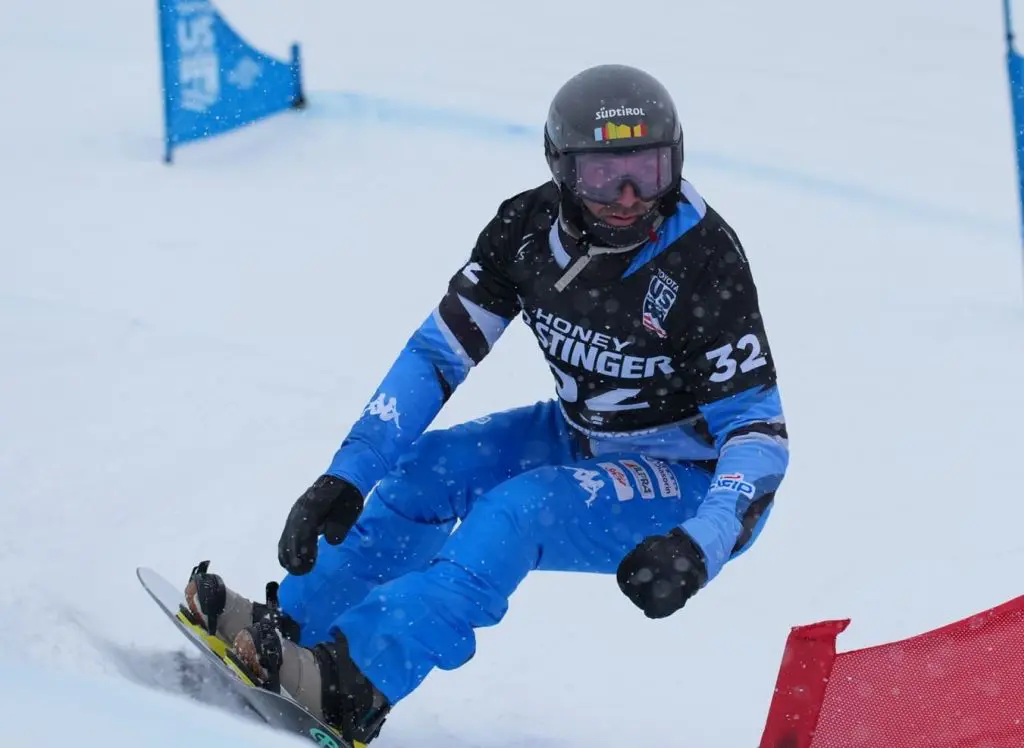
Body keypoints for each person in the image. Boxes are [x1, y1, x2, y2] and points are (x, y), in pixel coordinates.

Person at [181, 63, 790, 746]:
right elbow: (437, 356)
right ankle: (296, 630)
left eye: (647, 173)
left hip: (693, 481)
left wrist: (702, 542)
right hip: (584, 434)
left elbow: (758, 432)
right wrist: (349, 473)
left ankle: (355, 684)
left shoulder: (703, 259)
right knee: (424, 472)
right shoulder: (524, 231)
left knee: (516, 514)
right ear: (561, 169)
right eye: (603, 176)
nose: (628, 198)